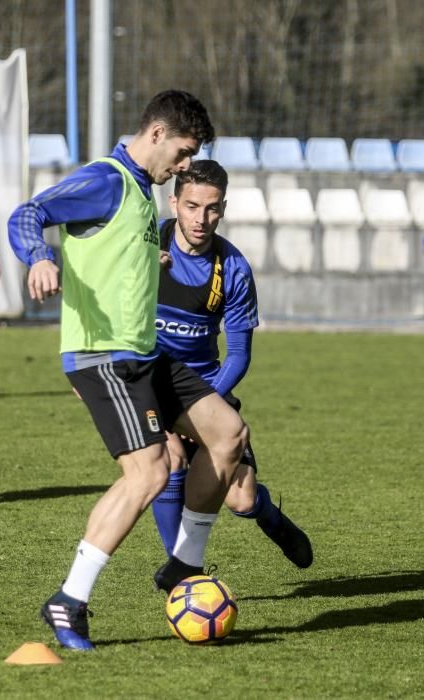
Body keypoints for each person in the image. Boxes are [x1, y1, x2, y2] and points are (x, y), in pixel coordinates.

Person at [8, 90, 248, 652]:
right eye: (185, 152)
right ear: (158, 134)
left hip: (146, 352)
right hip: (105, 356)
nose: (187, 166)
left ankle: (181, 566)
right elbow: (30, 213)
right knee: (149, 474)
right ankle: (68, 600)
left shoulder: (142, 191)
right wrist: (39, 256)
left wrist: (147, 259)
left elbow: (110, 253)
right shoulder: (108, 179)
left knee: (228, 432)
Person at [151, 159, 313, 569]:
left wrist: (203, 405)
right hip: (147, 381)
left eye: (211, 208)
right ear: (174, 203)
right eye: (191, 206)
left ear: (223, 207)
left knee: (241, 500)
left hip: (205, 386)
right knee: (168, 462)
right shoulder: (145, 245)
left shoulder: (234, 268)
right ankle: (183, 571)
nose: (201, 218)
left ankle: (272, 518)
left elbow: (239, 355)